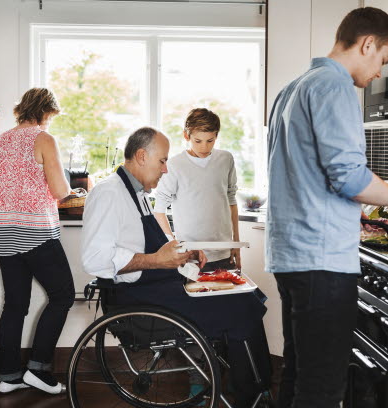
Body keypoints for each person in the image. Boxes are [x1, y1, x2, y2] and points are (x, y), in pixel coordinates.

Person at [265, 7, 388, 408]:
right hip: (321, 260)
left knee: (299, 374)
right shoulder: (334, 87)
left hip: (291, 256)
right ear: (367, 43)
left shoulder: (294, 87)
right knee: (322, 388)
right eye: (383, 59)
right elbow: (350, 179)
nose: (379, 72)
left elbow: (304, 175)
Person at [81, 127, 272, 408]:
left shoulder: (137, 193)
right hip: (139, 300)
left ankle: (251, 385)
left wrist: (183, 253)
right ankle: (253, 394)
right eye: (162, 161)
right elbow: (95, 259)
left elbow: (150, 247)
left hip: (157, 287)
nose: (166, 169)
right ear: (141, 156)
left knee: (244, 290)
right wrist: (158, 260)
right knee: (241, 305)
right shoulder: (109, 193)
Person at [0, 87, 74, 395]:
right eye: (51, 116)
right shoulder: (44, 139)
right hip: (35, 232)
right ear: (44, 112)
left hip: (3, 231)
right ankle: (38, 369)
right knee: (63, 296)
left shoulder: (3, 140)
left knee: (14, 305)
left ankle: (9, 376)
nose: (50, 122)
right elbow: (60, 189)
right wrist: (72, 192)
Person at [154, 108, 241, 271]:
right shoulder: (175, 165)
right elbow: (159, 210)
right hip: (190, 256)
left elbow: (231, 201)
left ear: (216, 136)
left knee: (225, 296)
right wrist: (174, 245)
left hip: (224, 253)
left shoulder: (225, 159)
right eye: (198, 141)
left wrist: (236, 243)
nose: (204, 147)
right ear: (186, 136)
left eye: (210, 140)